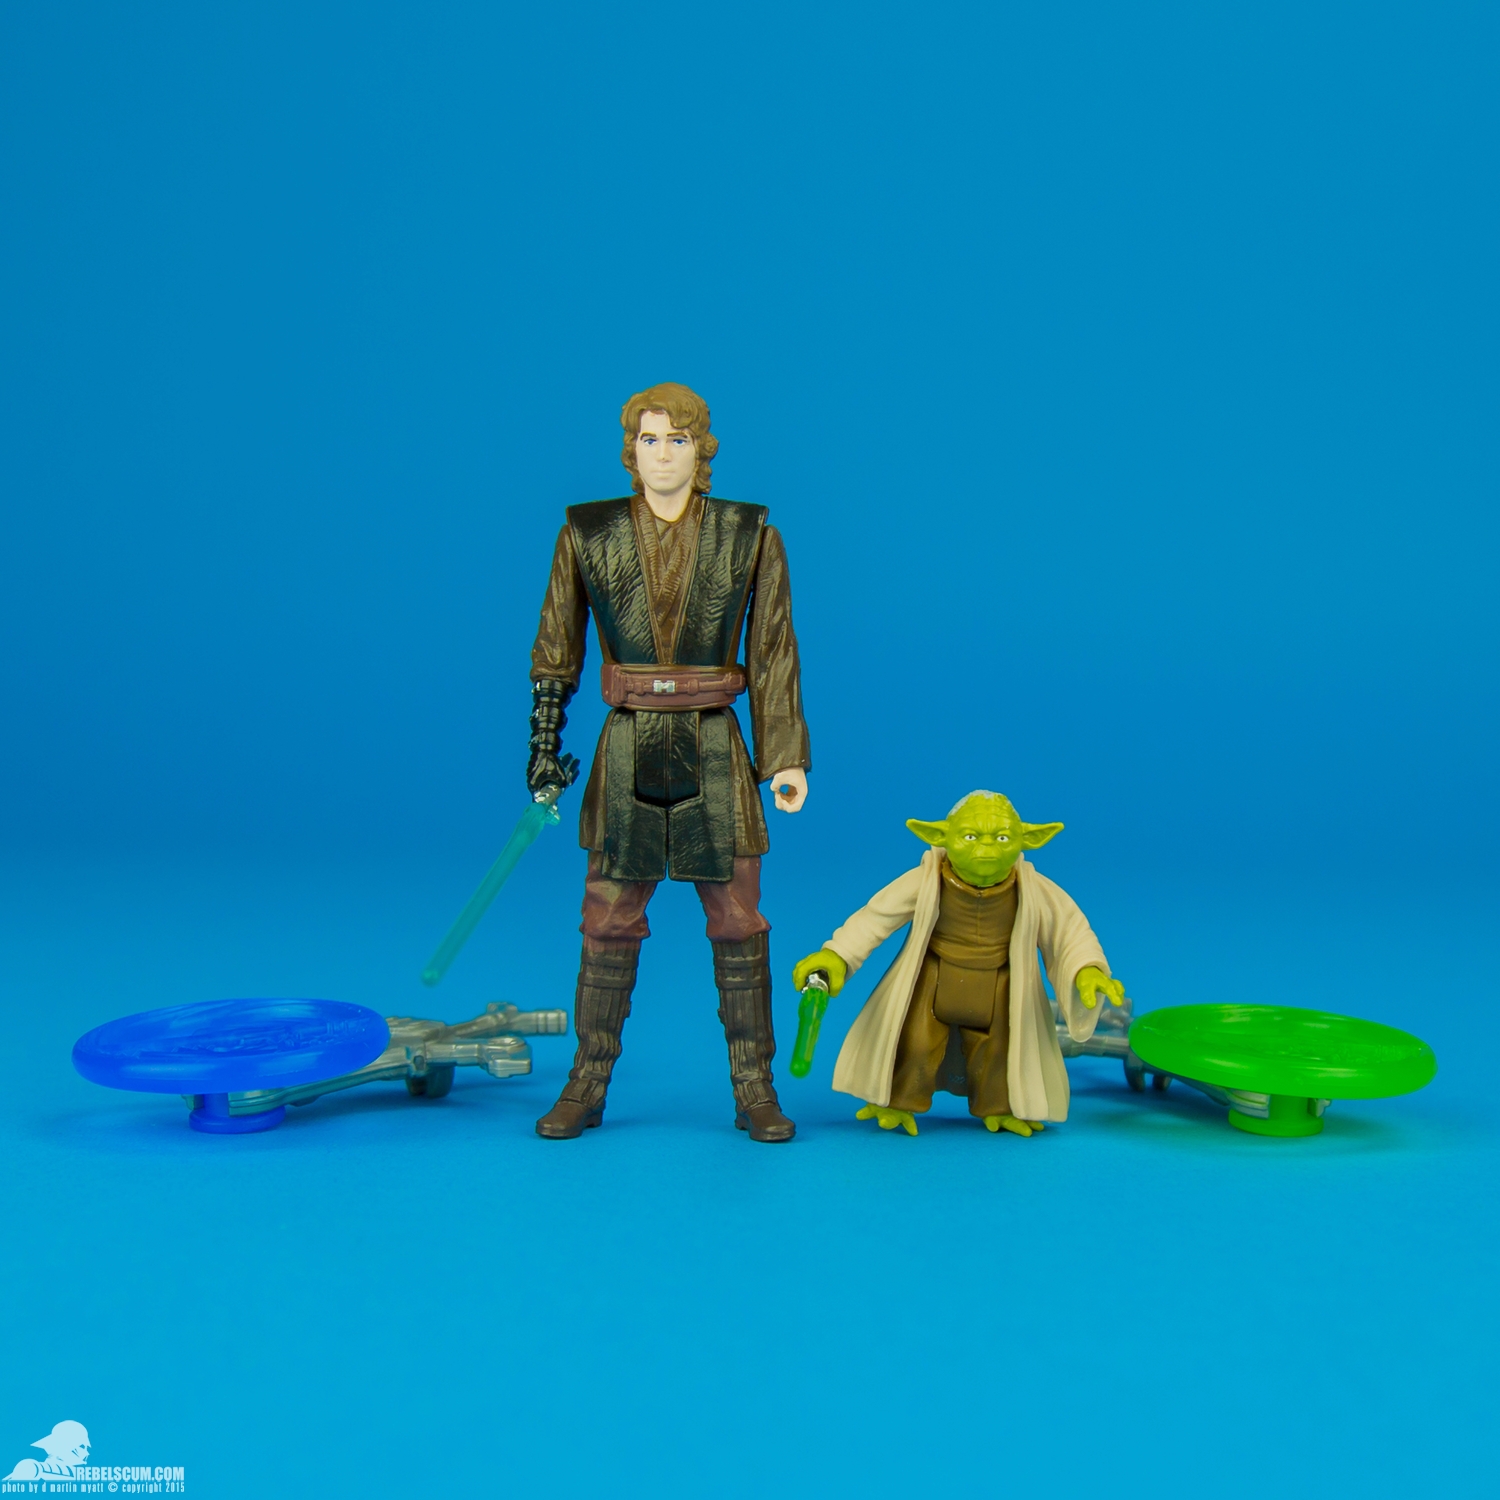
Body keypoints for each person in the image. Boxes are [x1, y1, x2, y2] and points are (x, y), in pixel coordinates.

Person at [526, 382, 811, 1142]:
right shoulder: (588, 533)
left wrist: (784, 758)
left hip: (715, 745)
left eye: (676, 440)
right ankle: (586, 1081)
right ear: (631, 450)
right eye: (648, 440)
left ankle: (755, 1087)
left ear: (700, 450)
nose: (661, 455)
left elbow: (773, 649)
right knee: (607, 919)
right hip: (628, 744)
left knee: (739, 920)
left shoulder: (748, 534)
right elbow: (557, 648)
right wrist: (544, 746)